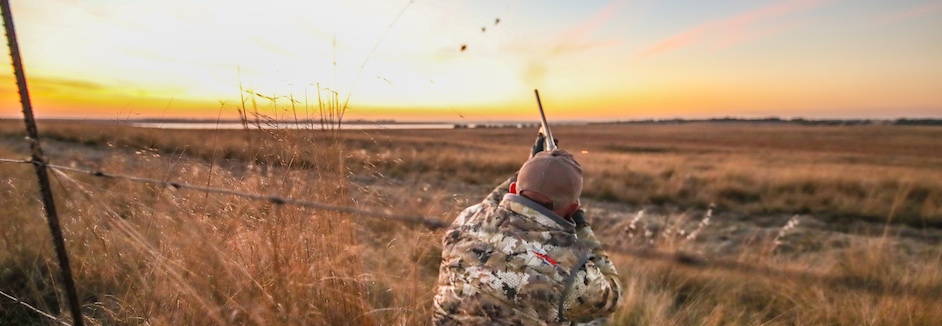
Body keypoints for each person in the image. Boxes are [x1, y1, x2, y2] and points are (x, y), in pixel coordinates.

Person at [433, 133, 622, 325]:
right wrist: (582, 225)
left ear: (514, 188)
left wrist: (528, 167)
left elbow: (491, 206)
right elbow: (613, 297)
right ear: (572, 209)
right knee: (596, 320)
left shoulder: (467, 218)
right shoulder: (571, 266)